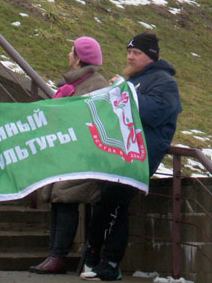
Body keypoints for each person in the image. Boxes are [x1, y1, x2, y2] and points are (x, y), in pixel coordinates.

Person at [80, 33, 182, 281]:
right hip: (122, 153)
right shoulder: (136, 80)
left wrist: (123, 92)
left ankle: (106, 261)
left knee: (113, 202)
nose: (130, 57)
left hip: (141, 156)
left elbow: (155, 113)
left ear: (151, 56)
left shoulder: (164, 82)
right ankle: (99, 259)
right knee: (109, 203)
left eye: (136, 53)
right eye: (129, 52)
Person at [29, 37, 107, 275]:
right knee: (56, 199)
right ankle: (54, 254)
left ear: (79, 57)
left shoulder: (96, 85)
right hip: (65, 152)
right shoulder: (71, 84)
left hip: (82, 155)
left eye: (71, 51)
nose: (68, 55)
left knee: (65, 198)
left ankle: (58, 256)